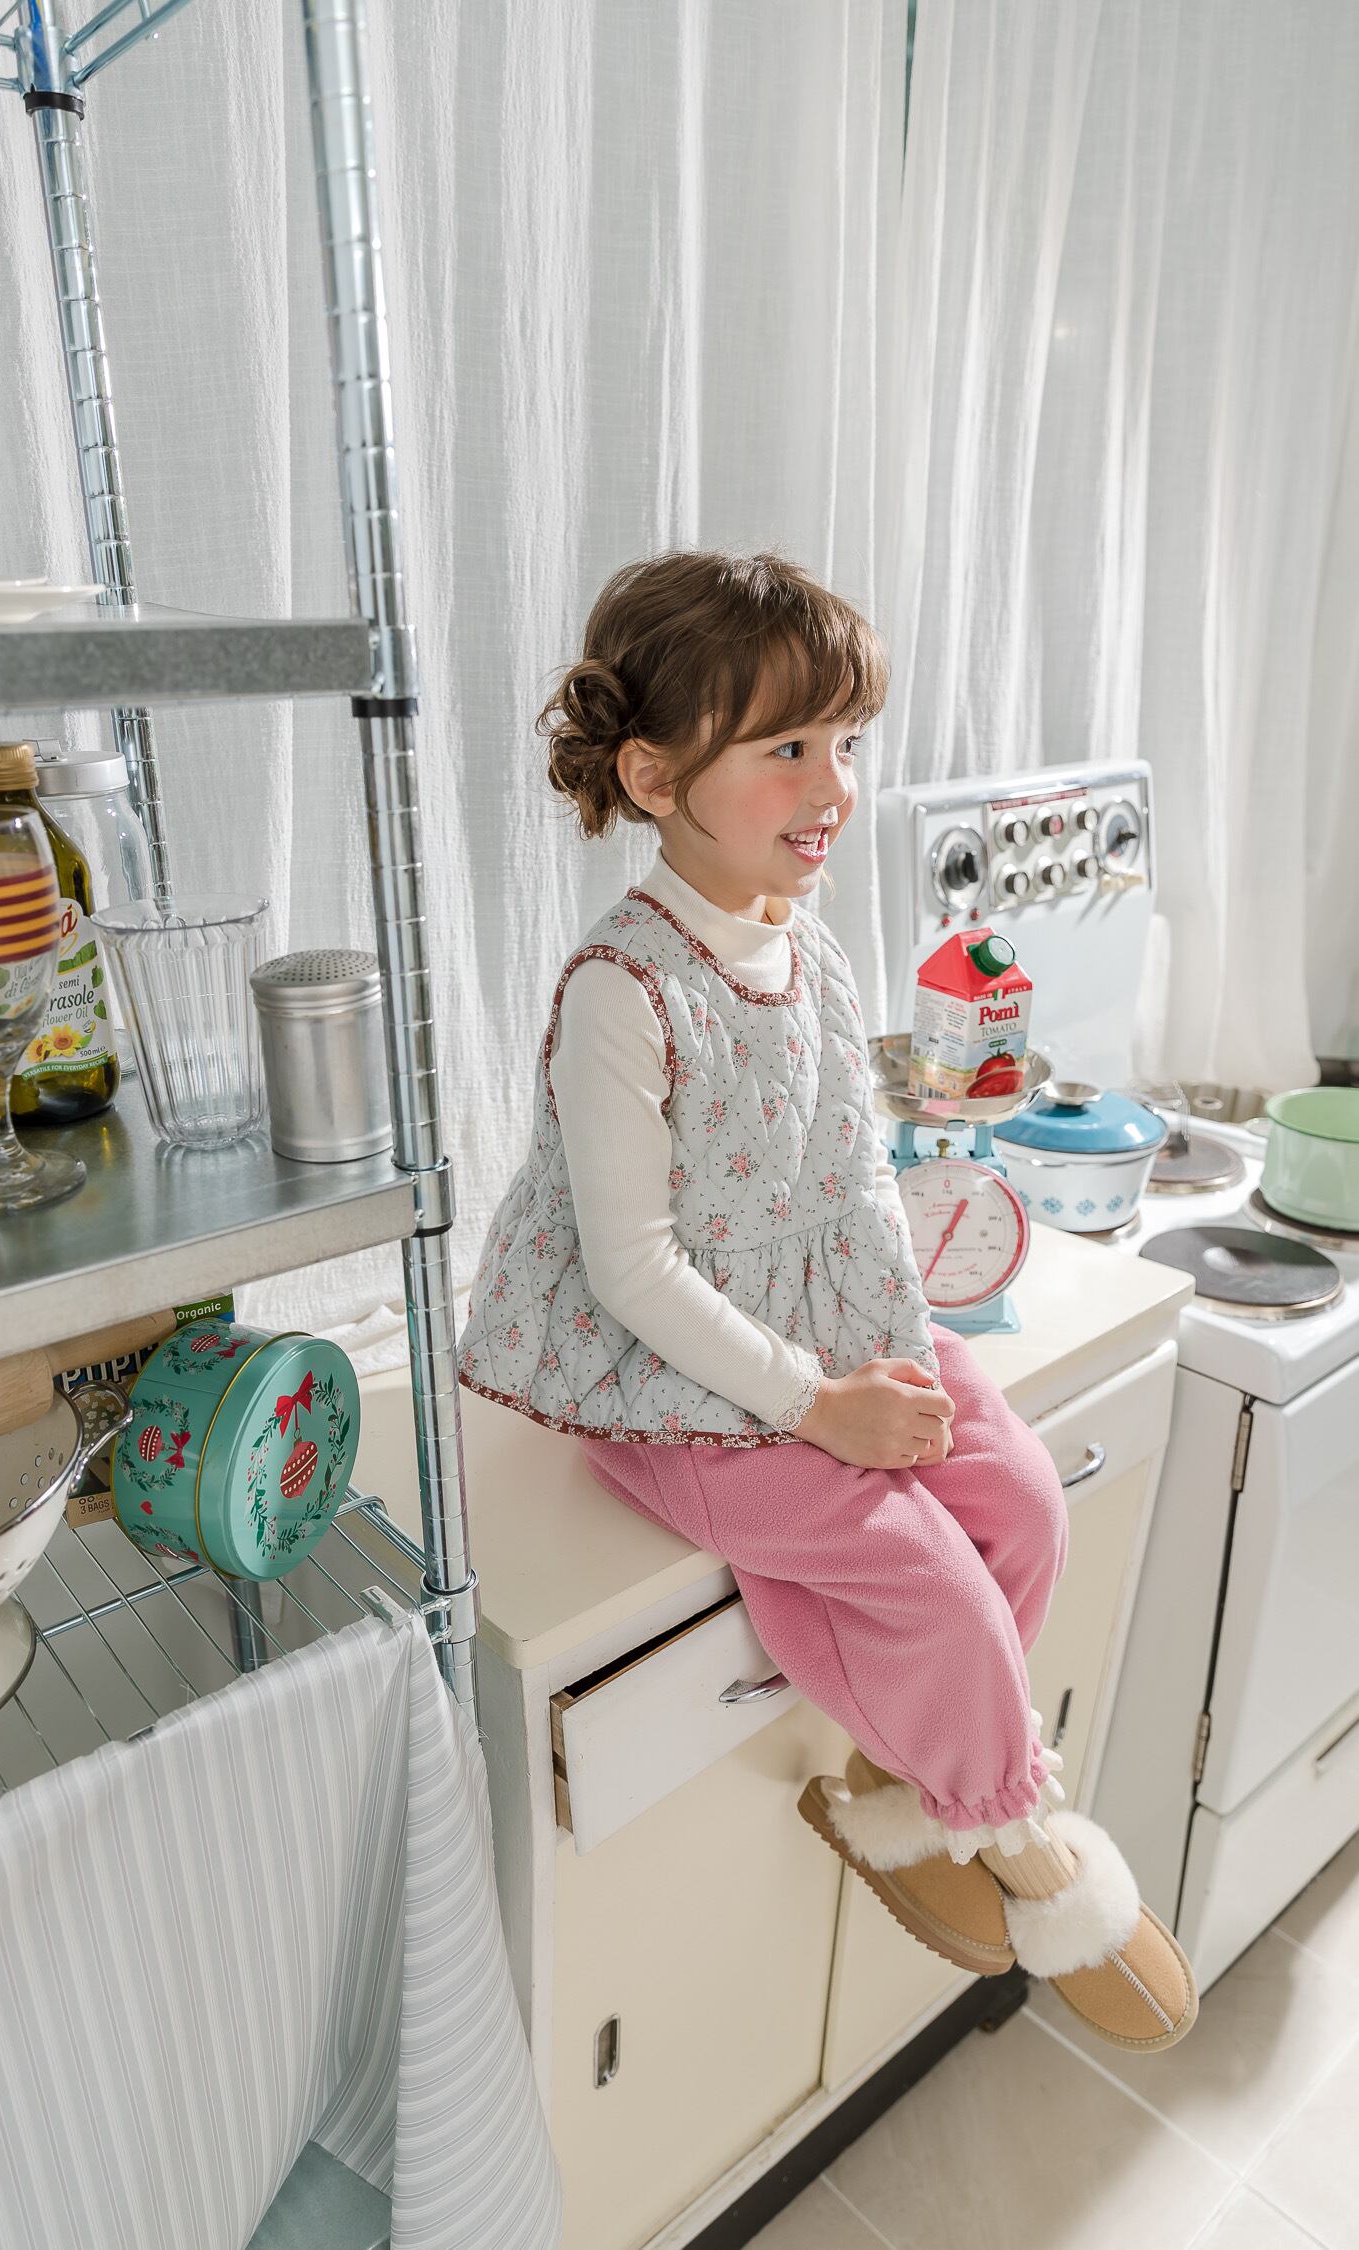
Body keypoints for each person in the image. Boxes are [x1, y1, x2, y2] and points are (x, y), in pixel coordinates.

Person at [458, 550, 1196, 2051]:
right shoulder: (622, 989)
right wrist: (821, 1410)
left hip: (823, 1331)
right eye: (787, 747)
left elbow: (846, 1170)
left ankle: (913, 1779)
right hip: (668, 1384)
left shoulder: (812, 942)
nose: (834, 786)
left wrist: (894, 1356)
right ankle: (1018, 1838)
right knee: (932, 1587)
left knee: (1022, 1505)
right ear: (655, 776)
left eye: (844, 742)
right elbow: (635, 1272)